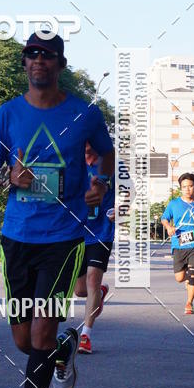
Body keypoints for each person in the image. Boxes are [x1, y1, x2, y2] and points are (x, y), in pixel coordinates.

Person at [0, 31, 114, 388]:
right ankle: (64, 348)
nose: (39, 61)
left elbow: (106, 155)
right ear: (25, 63)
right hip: (16, 236)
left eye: (47, 55)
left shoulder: (84, 113)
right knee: (23, 339)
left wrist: (101, 184)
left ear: (59, 64)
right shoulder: (7, 114)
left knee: (40, 329)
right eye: (32, 54)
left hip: (63, 237)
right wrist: (5, 179)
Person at [73, 142, 115, 354]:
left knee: (91, 279)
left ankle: (85, 336)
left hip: (101, 232)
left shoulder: (111, 165)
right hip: (75, 232)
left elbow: (129, 193)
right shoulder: (71, 163)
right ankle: (99, 293)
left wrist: (120, 209)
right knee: (80, 290)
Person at [161, 173, 194, 315]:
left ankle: (189, 303)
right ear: (181, 188)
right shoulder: (174, 204)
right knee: (179, 278)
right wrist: (168, 227)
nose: (187, 189)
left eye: (190, 186)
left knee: (193, 274)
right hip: (179, 244)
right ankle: (188, 279)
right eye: (184, 187)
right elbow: (164, 218)